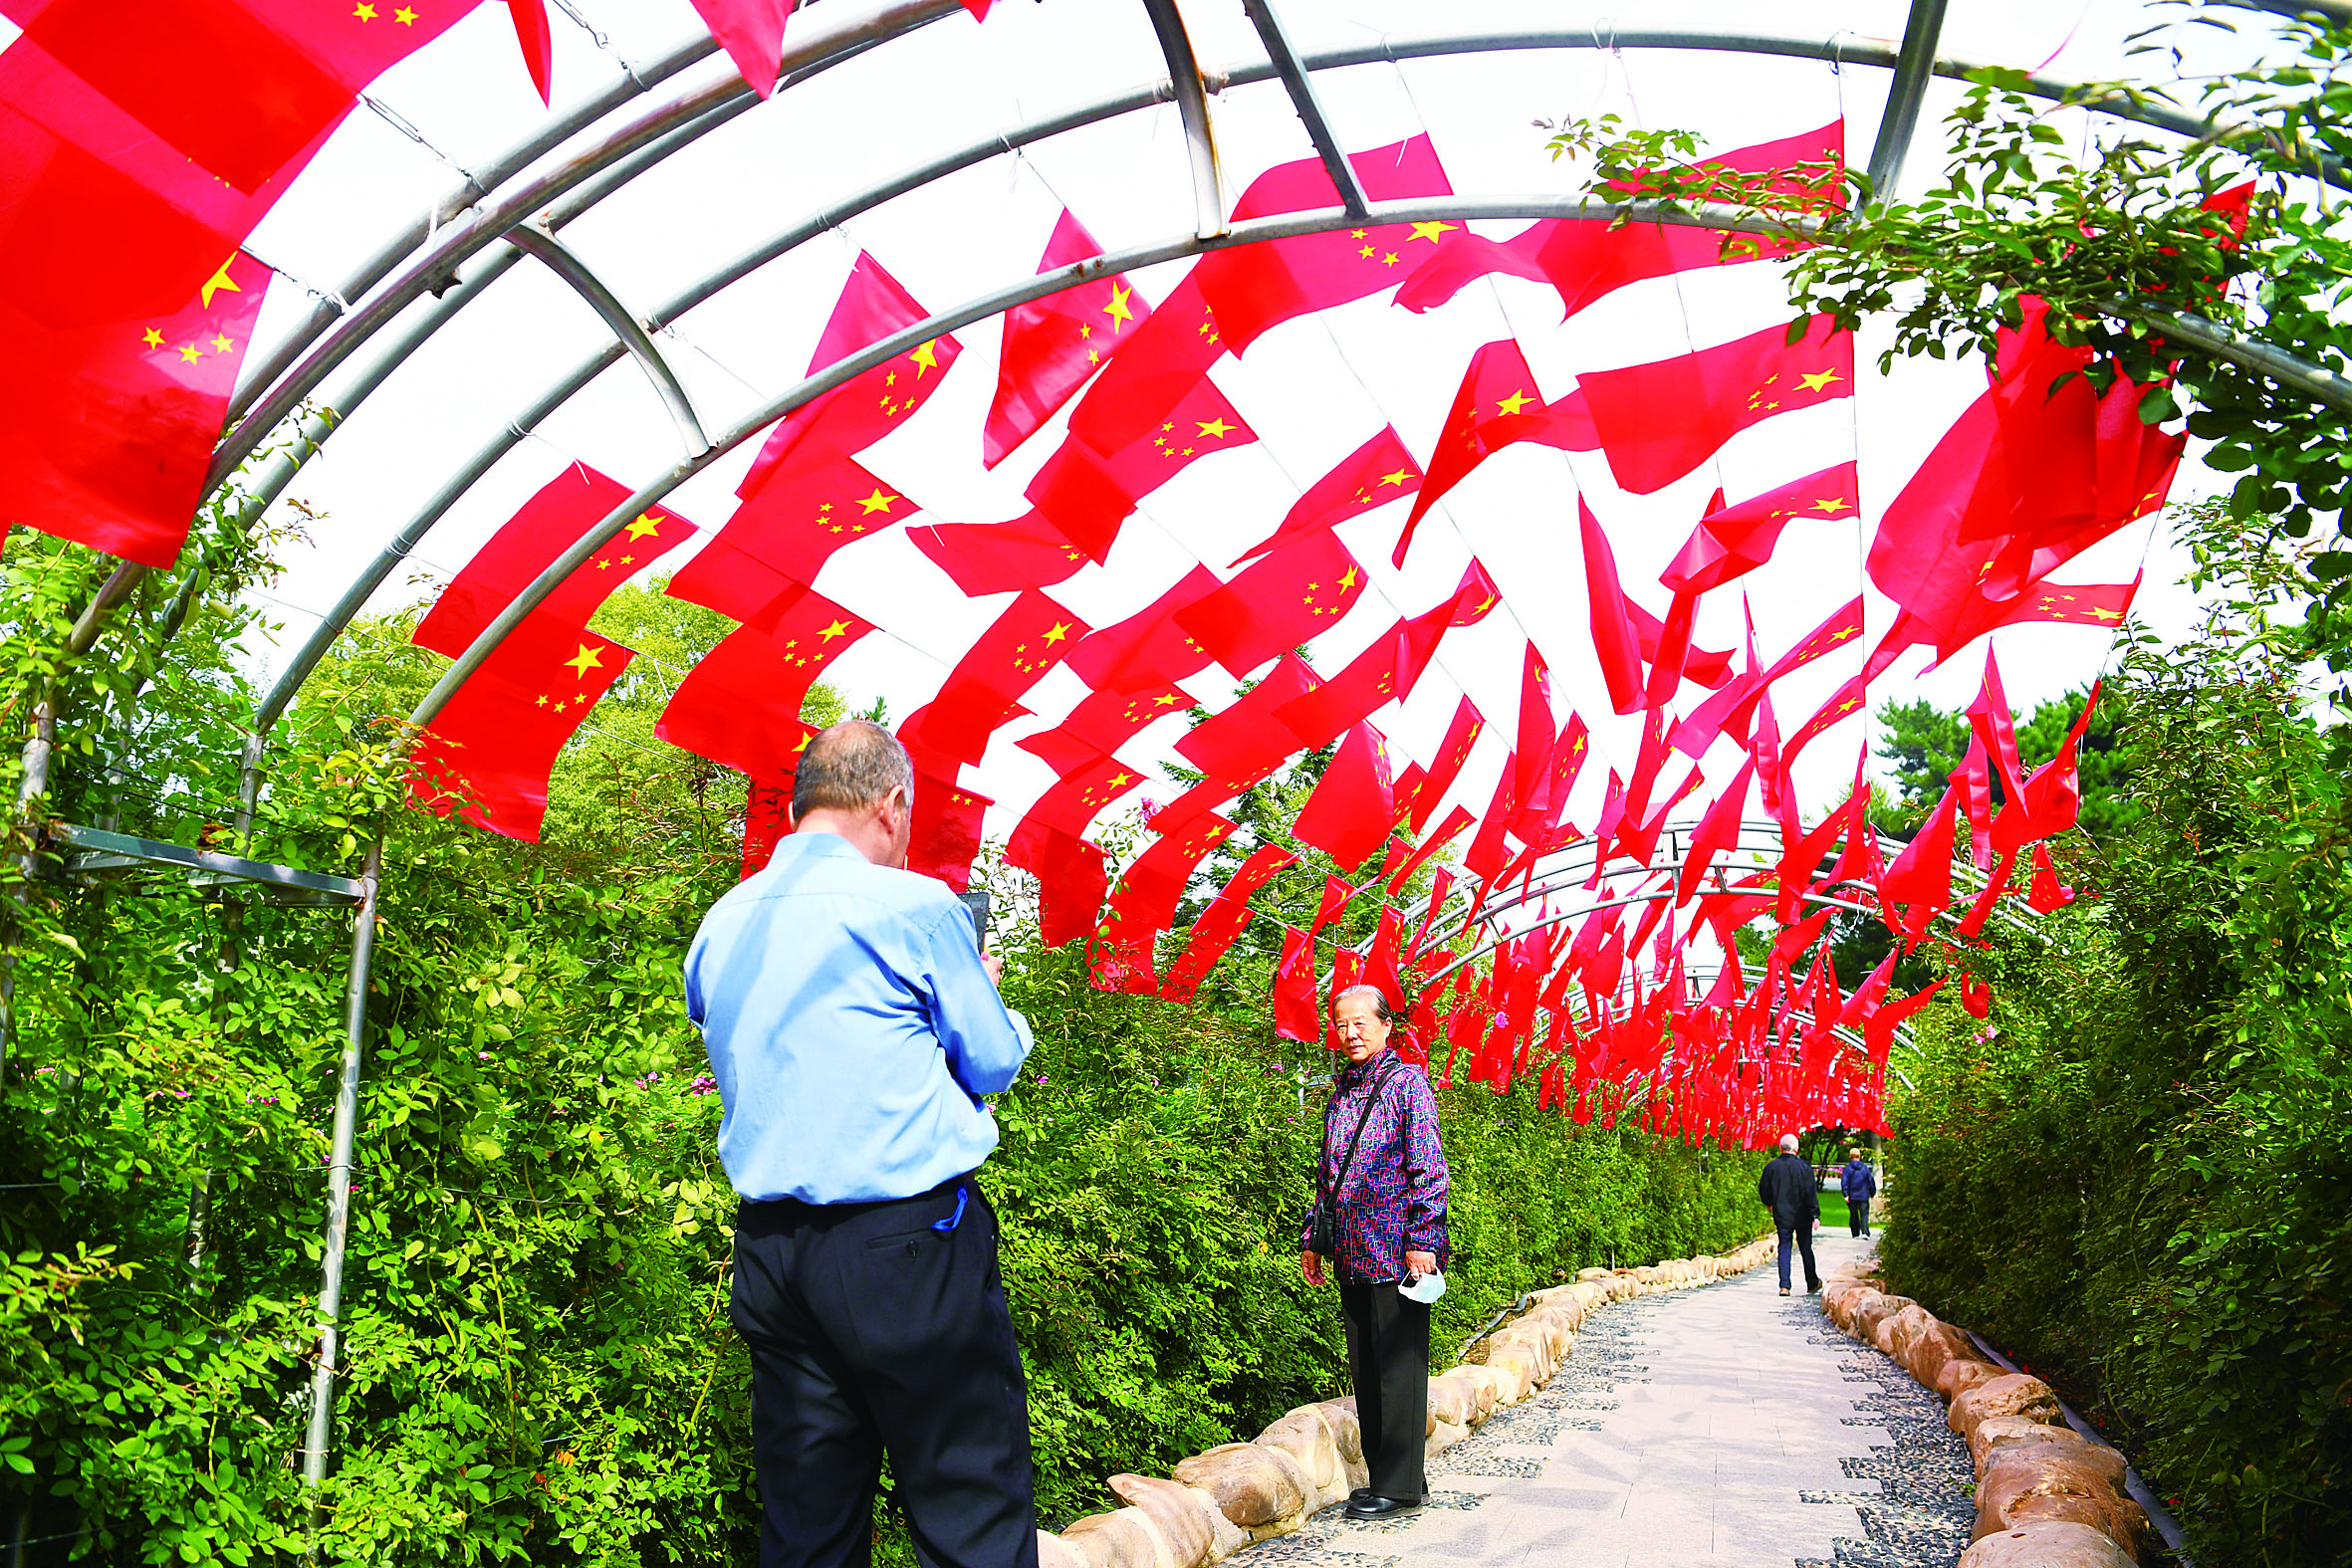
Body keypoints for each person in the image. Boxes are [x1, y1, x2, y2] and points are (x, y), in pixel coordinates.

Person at [685, 722, 1038, 1568]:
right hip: (907, 1247)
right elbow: (989, 1060)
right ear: (890, 804)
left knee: (808, 1525)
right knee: (969, 1504)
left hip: (772, 1253)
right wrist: (995, 1002)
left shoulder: (723, 921)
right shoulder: (912, 907)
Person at [1298, 986, 1449, 1521]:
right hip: (1353, 1252)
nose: (1351, 1032)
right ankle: (1394, 1474)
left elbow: (1428, 1165)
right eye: (1341, 1024)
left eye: (1361, 1022)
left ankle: (1401, 1488)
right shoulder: (1340, 1093)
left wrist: (1423, 1240)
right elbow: (1328, 1176)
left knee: (1398, 1370)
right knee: (1367, 1370)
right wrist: (1315, 1238)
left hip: (1399, 1250)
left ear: (1387, 1026)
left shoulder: (1407, 1084)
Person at [1758, 1132, 1821, 1296]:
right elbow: (1810, 1193)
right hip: (1803, 1214)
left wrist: (1769, 1203)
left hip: (1782, 1213)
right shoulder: (1805, 1168)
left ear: (1780, 1148)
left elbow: (1763, 1188)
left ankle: (1784, 1286)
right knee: (1805, 1247)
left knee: (1784, 1246)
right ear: (1797, 1149)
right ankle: (1812, 1282)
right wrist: (1815, 1214)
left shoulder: (1772, 1167)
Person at [1840, 1146, 1879, 1238]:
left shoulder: (1848, 1169)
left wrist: (1846, 1194)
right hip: (1863, 1195)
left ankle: (1855, 1233)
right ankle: (1865, 1232)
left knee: (1854, 1214)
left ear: (1850, 1156)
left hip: (1852, 1195)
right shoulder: (1865, 1168)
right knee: (1864, 1214)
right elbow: (1870, 1181)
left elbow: (1844, 1182)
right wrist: (1872, 1193)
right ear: (1859, 1156)